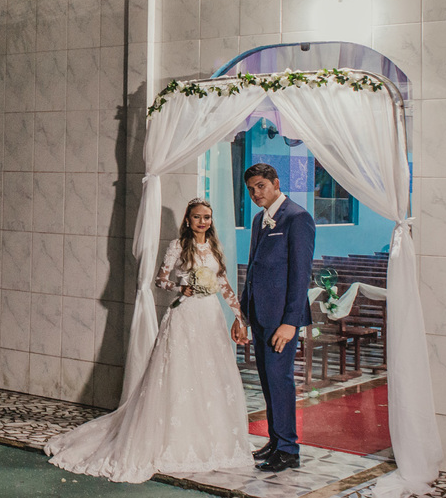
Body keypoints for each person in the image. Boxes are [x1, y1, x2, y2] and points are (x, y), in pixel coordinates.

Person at [44, 198, 253, 482]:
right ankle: (172, 441)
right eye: (196, 217)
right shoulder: (178, 246)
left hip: (210, 318)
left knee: (210, 377)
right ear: (188, 220)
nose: (202, 221)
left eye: (206, 217)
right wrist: (183, 286)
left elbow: (225, 284)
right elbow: (160, 280)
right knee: (179, 376)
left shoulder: (215, 247)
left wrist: (239, 317)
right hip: (185, 316)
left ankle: (210, 441)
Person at [235, 163, 316, 473]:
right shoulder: (259, 220)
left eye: (261, 186)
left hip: (282, 318)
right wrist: (243, 313)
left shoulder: (297, 218)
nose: (256, 193)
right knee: (268, 382)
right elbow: (253, 270)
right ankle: (275, 439)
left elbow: (300, 275)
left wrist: (290, 321)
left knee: (280, 381)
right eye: (251, 189)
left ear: (275, 183)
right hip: (260, 313)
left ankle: (288, 449)